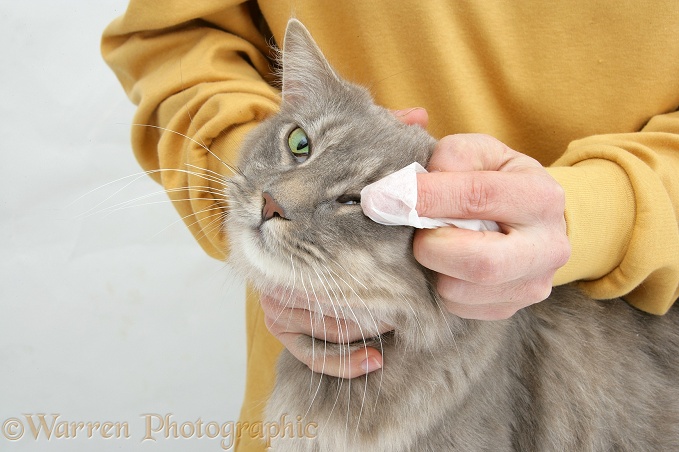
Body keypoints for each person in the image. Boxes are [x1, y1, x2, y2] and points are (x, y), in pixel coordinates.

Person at [102, 2, 679, 450]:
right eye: (299, 147)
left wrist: (606, 211)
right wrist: (233, 158)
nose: (279, 202)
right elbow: (169, 33)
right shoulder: (279, 194)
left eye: (352, 198)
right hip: (310, 336)